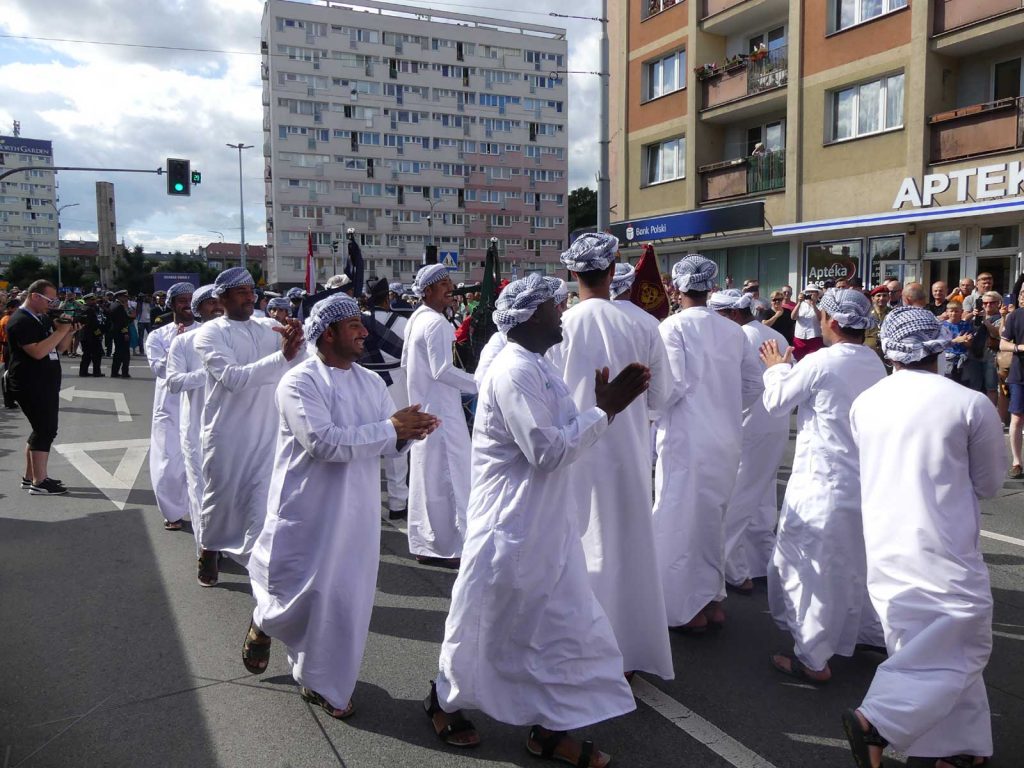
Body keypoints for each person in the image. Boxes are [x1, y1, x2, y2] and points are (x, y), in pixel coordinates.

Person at [428, 274, 650, 766]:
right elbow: (547, 451)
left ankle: (550, 729)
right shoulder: (513, 372)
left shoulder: (538, 365)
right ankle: (444, 701)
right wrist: (606, 411)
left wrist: (598, 408)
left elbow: (564, 433)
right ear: (529, 316)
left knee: (563, 628)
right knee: (488, 622)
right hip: (512, 527)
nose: (562, 309)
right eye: (554, 305)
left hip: (549, 525)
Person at [245, 294, 439, 716]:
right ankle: (264, 622)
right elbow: (324, 442)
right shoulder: (299, 382)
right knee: (294, 597)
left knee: (343, 601)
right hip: (307, 510)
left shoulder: (371, 383)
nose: (364, 332)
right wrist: (391, 429)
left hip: (357, 514)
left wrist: (410, 433)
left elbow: (386, 445)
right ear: (328, 332)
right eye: (354, 325)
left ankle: (323, 682)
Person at [843, 307, 1004, 768]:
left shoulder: (866, 401)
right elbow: (991, 483)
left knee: (925, 651)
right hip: (944, 545)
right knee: (964, 645)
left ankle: (958, 749)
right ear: (938, 344)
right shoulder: (967, 402)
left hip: (886, 543)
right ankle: (877, 721)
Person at [549, 235, 674, 680]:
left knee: (580, 546)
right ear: (613, 267)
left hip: (575, 452)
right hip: (630, 453)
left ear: (571, 272)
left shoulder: (558, 325)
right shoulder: (643, 324)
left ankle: (582, 650)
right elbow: (662, 398)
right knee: (629, 546)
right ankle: (628, 652)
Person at [760, 288, 886, 684]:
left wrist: (777, 367)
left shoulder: (822, 362)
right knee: (855, 563)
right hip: (862, 480)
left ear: (830, 321)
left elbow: (776, 402)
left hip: (823, 481)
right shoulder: (875, 362)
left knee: (809, 568)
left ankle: (813, 658)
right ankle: (866, 633)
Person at [653, 255, 761, 632]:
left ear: (678, 288)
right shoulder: (734, 330)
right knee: (713, 520)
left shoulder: (673, 328)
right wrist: (724, 407)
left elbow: (672, 387)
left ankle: (687, 607)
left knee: (680, 521)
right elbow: (753, 385)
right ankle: (712, 597)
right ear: (710, 287)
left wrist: (646, 409)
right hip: (726, 439)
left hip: (687, 438)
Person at [193, 268, 305, 587]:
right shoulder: (210, 334)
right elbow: (234, 379)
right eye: (240, 291)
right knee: (221, 498)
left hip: (268, 430)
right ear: (222, 298)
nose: (248, 295)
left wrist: (298, 341)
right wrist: (282, 355)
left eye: (250, 290)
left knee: (264, 501)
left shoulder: (268, 327)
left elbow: (296, 364)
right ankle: (209, 549)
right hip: (227, 433)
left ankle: (258, 567)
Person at [711, 290, 789, 591]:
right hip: (775, 423)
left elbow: (741, 385)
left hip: (749, 424)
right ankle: (761, 562)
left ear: (731, 314)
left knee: (740, 495)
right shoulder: (773, 334)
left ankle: (731, 566)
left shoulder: (737, 337)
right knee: (763, 496)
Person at [401, 264, 477, 567]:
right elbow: (441, 370)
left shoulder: (417, 318)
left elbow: (409, 365)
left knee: (427, 479)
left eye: (450, 282)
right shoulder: (435, 323)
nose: (451, 288)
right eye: (443, 284)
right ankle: (451, 548)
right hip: (442, 414)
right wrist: (480, 383)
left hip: (426, 408)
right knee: (453, 477)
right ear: (428, 290)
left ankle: (427, 545)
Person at [5, 280, 77, 495]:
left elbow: (60, 348)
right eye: (49, 300)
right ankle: (40, 482)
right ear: (35, 296)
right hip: (30, 383)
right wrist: (59, 331)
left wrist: (69, 332)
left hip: (44, 382)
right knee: (45, 430)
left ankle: (31, 477)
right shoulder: (20, 320)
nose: (52, 304)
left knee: (40, 430)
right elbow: (37, 351)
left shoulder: (41, 318)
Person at [166, 285, 222, 550]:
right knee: (201, 489)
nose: (217, 306)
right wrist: (210, 373)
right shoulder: (184, 341)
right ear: (198, 308)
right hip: (198, 428)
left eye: (220, 300)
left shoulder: (246, 337)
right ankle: (207, 550)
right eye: (210, 302)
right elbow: (174, 382)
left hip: (237, 429)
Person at [144, 282, 197, 532]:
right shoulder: (158, 336)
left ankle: (199, 512)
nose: (187, 303)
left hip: (198, 404)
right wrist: (177, 346)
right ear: (172, 303)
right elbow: (161, 370)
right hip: (169, 407)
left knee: (199, 461)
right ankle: (172, 511)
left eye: (191, 298)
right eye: (182, 299)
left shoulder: (206, 331)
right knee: (168, 462)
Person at [359, 277, 411, 520]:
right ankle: (398, 502)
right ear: (387, 297)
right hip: (395, 381)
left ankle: (363, 503)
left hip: (363, 382)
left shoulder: (357, 322)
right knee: (396, 442)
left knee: (363, 441)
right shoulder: (403, 322)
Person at [999, 285, 1024, 478]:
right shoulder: (1016, 316)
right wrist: (1019, 348)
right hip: (1020, 373)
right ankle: (1017, 462)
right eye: (1023, 293)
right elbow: (1002, 343)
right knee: (1016, 417)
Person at [791, 284, 823, 360]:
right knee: (798, 360)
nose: (810, 294)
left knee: (814, 361)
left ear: (817, 294)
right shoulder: (801, 304)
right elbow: (793, 317)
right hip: (800, 338)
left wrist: (814, 305)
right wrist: (799, 302)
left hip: (814, 337)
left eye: (813, 292)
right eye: (808, 292)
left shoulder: (821, 305)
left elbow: (820, 318)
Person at [78, 293, 105, 377]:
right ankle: (96, 372)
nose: (94, 301)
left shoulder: (82, 308)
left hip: (84, 335)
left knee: (86, 354)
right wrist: (99, 334)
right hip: (91, 336)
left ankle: (83, 371)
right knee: (97, 354)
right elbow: (93, 325)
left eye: (94, 299)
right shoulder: (90, 310)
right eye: (92, 300)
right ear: (87, 300)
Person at [108, 290, 132, 378]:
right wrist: (125, 332)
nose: (126, 298)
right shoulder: (119, 307)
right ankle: (124, 372)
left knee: (118, 353)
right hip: (121, 332)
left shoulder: (113, 304)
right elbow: (122, 321)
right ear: (119, 297)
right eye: (124, 297)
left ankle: (115, 372)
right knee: (125, 354)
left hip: (116, 331)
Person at [0, 298, 20, 407]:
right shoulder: (7, 319)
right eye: (16, 307)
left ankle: (10, 399)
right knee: (8, 374)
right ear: (10, 308)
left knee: (9, 373)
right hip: (9, 347)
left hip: (8, 346)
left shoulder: (8, 318)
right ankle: (9, 400)